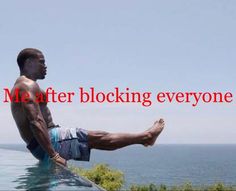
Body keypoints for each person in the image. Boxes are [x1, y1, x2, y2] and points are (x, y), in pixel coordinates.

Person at [10, 48, 165, 167]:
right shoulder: (26, 85)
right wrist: (53, 155)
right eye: (41, 62)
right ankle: (146, 138)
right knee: (100, 137)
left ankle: (144, 138)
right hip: (49, 142)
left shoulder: (22, 85)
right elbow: (35, 120)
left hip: (41, 143)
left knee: (98, 139)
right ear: (29, 63)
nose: (45, 66)